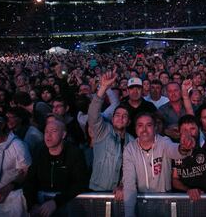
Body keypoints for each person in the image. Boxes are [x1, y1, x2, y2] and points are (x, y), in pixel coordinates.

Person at [123, 112, 195, 217]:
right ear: (135, 128)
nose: (144, 129)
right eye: (140, 125)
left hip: (164, 203)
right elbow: (129, 184)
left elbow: (174, 150)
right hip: (141, 203)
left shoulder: (164, 141)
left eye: (149, 125)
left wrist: (183, 147)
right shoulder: (130, 149)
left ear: (155, 128)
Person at [23, 114, 88, 217]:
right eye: (46, 132)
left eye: (53, 131)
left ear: (63, 135)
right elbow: (30, 181)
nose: (48, 135)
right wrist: (32, 205)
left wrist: (56, 202)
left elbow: (80, 184)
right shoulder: (39, 152)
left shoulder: (74, 153)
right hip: (41, 206)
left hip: (67, 206)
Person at [87, 69, 134, 197]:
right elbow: (93, 114)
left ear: (129, 122)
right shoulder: (102, 131)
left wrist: (124, 184)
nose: (120, 118)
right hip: (97, 191)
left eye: (125, 116)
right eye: (117, 115)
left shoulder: (133, 141)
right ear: (112, 119)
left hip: (119, 193)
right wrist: (103, 87)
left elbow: (132, 169)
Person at [172, 115, 206, 200]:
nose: (188, 133)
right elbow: (175, 180)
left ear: (198, 130)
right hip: (185, 202)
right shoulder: (175, 149)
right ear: (179, 132)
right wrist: (189, 190)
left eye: (192, 129)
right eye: (184, 130)